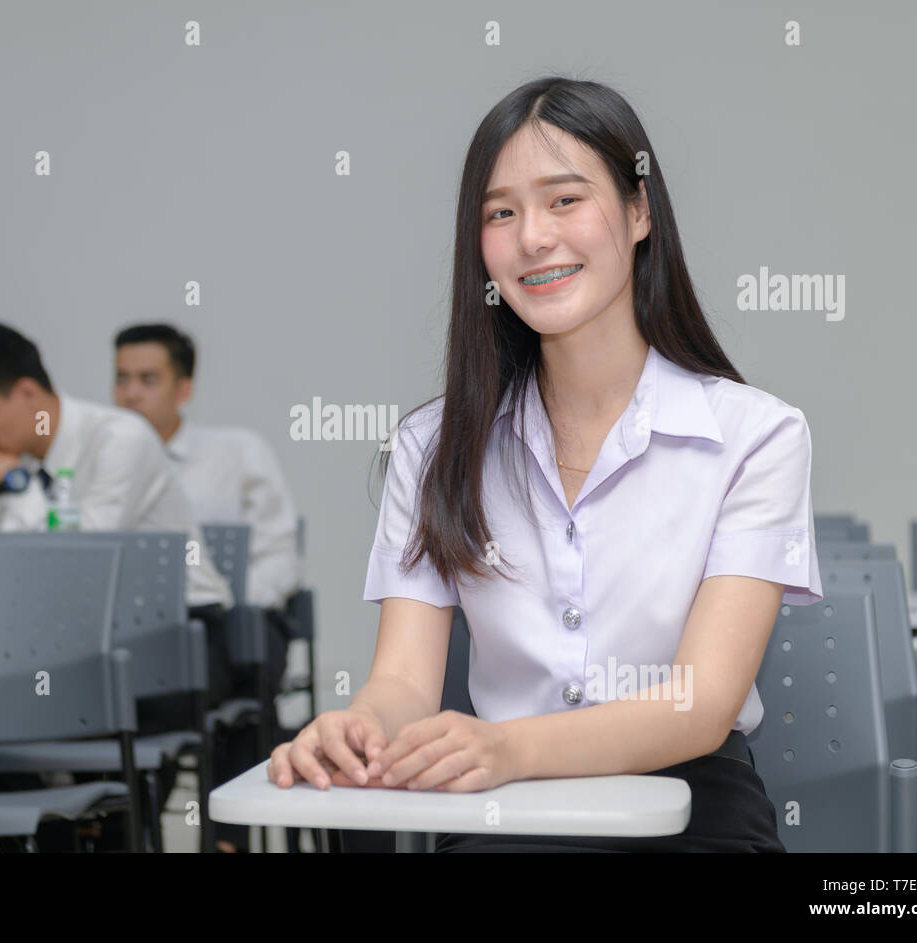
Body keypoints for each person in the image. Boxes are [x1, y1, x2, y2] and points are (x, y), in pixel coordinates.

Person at [267, 75, 824, 853]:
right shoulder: (432, 447)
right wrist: (357, 729)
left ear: (638, 212)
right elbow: (402, 684)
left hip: (692, 797)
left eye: (564, 199)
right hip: (505, 809)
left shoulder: (756, 435)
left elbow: (700, 703)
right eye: (501, 212)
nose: (532, 237)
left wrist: (509, 749)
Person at [0, 322, 237, 851]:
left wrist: (15, 483)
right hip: (68, 649)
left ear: (26, 392)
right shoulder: (11, 466)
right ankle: (53, 838)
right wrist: (13, 480)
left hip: (175, 642)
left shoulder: (118, 438)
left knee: (82, 722)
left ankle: (102, 834)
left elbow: (83, 566)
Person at [113, 323, 303, 853]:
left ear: (184, 389)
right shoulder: (106, 468)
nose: (130, 393)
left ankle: (226, 841)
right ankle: (129, 831)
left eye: (147, 379)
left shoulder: (238, 452)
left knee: (244, 660)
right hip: (147, 635)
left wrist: (231, 609)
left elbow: (280, 557)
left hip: (237, 622)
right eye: (122, 379)